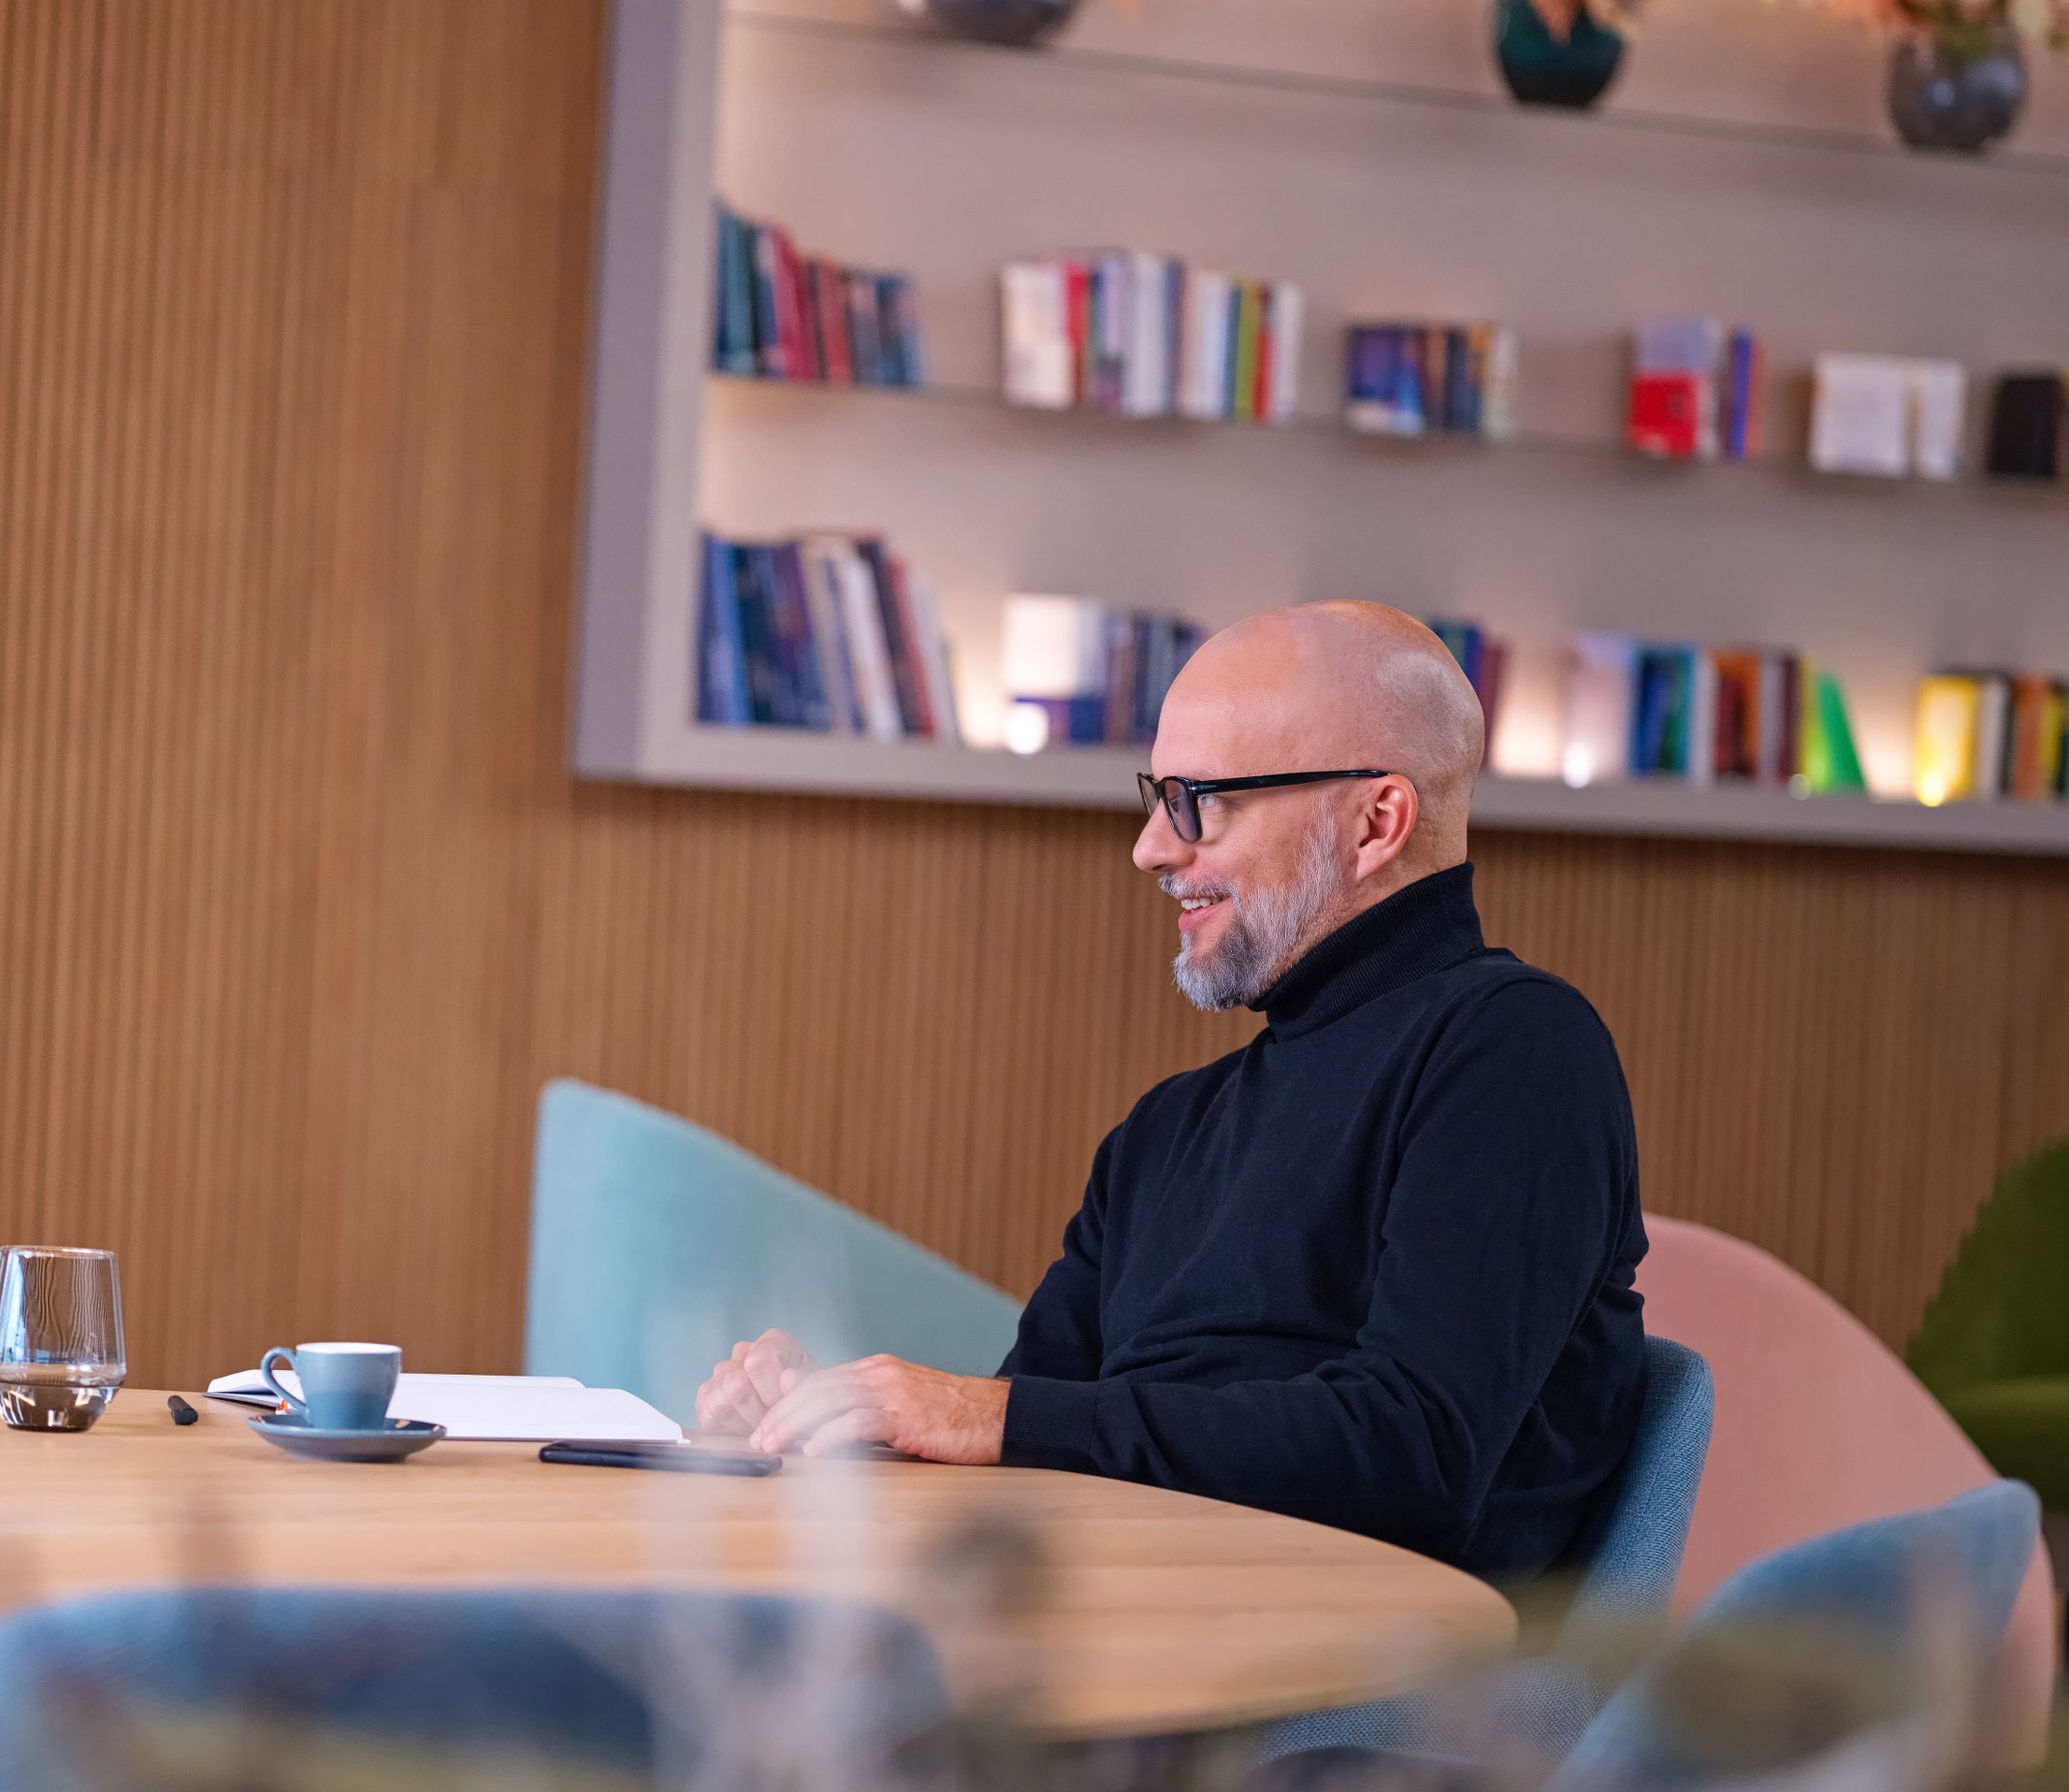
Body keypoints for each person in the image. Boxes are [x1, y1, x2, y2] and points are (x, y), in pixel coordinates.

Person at [693, 600, 1644, 1580]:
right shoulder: (1165, 1132)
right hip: (1107, 1623)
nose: (1152, 848)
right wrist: (839, 1426)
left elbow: (1414, 1457)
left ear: (1377, 821)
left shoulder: (1514, 1048)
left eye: (1199, 799)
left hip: (1342, 1674)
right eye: (1157, 796)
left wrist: (983, 1416)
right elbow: (1028, 1440)